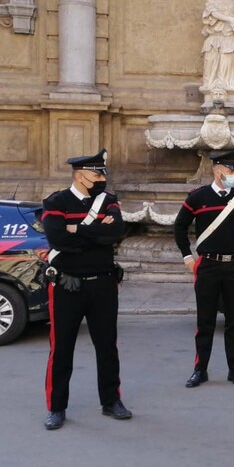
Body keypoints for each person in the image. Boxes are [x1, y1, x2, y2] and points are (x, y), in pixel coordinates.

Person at [41, 149, 131, 430]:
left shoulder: (109, 202)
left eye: (102, 172)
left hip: (103, 284)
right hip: (68, 285)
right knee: (62, 349)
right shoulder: (56, 202)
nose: (102, 178)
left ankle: (111, 401)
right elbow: (57, 238)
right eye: (97, 173)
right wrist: (93, 234)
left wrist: (75, 229)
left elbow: (116, 233)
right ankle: (57, 407)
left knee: (107, 347)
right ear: (80, 176)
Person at [173, 150, 234, 388]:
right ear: (217, 170)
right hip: (208, 267)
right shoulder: (197, 197)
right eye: (230, 169)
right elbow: (179, 226)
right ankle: (200, 370)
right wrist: (187, 257)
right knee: (205, 321)